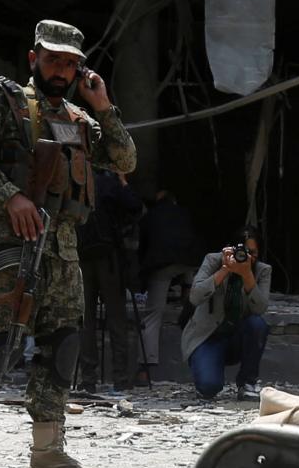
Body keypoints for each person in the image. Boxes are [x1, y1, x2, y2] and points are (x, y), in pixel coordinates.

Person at [0, 18, 137, 468]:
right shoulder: (3, 103)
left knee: (62, 347)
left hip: (64, 252)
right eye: (53, 60)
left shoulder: (78, 118)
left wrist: (103, 105)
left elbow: (125, 159)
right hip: (13, 243)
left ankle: (48, 452)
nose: (62, 71)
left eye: (71, 64)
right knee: (1, 345)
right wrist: (11, 194)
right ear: (34, 59)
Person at [182, 228, 272, 400]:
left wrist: (247, 276)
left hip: (237, 336)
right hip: (209, 336)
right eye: (244, 252)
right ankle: (206, 367)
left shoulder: (262, 270)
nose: (248, 257)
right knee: (209, 388)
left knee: (257, 324)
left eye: (253, 253)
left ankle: (247, 383)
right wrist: (224, 270)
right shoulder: (212, 260)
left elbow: (260, 308)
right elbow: (194, 296)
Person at [76, 167, 143, 390]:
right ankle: (120, 379)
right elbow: (135, 207)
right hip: (109, 256)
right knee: (116, 318)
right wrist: (123, 182)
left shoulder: (77, 179)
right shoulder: (111, 183)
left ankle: (88, 380)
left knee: (86, 320)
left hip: (82, 254)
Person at [133, 185, 199, 386]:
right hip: (188, 259)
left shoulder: (149, 217)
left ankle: (144, 369)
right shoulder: (184, 213)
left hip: (162, 265)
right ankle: (187, 293)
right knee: (188, 266)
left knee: (153, 314)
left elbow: (141, 251)